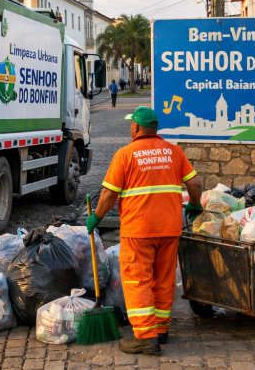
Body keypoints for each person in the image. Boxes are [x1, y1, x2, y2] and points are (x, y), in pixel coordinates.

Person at [86, 106, 202, 355]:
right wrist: (194, 204)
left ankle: (145, 337)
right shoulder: (174, 152)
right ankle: (161, 331)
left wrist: (96, 217)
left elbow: (108, 194)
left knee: (137, 281)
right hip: (170, 229)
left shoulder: (125, 154)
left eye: (131, 124)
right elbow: (195, 182)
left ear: (136, 127)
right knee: (163, 280)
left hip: (139, 231)